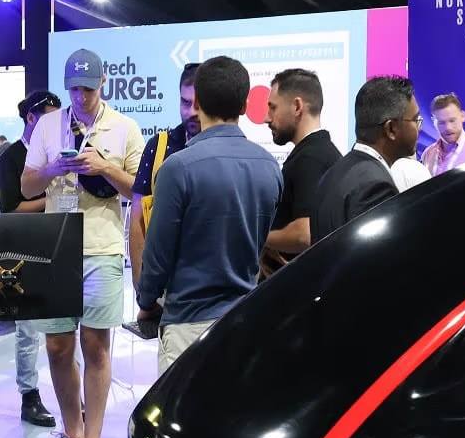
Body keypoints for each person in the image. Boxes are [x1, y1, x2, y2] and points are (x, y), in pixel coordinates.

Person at [21, 49, 142, 438]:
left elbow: (137, 189)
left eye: (88, 89)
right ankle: (71, 434)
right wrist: (54, 168)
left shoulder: (124, 127)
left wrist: (104, 167)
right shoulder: (48, 125)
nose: (80, 97)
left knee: (96, 346)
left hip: (102, 249)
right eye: (74, 88)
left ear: (103, 83)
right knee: (57, 347)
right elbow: (26, 185)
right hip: (56, 249)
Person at [135, 58, 281, 374]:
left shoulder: (177, 168)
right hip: (244, 320)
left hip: (187, 326)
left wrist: (146, 302)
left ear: (198, 102)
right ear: (245, 106)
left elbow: (157, 255)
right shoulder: (270, 167)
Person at [0, 91, 60, 427]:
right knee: (28, 328)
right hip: (23, 251)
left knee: (66, 324)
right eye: (49, 117)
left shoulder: (57, 153)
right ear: (31, 118)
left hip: (59, 245)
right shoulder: (10, 158)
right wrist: (53, 198)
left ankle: (72, 394)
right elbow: (12, 209)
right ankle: (29, 396)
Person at [310, 76, 418, 243]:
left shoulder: (332, 173)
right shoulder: (376, 187)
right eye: (415, 120)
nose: (418, 128)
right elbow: (379, 256)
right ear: (391, 129)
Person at [130, 63, 201, 313]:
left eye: (199, 104)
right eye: (185, 102)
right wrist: (142, 290)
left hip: (210, 286)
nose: (191, 112)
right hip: (163, 287)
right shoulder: (159, 146)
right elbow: (138, 219)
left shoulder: (228, 150)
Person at [262, 68, 341, 274]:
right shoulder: (323, 153)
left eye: (273, 107)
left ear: (297, 106)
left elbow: (305, 234)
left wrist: (260, 239)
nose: (266, 118)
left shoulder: (310, 159)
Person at [420, 93, 465, 174]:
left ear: (463, 116)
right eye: (441, 123)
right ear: (433, 121)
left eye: (452, 120)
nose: (448, 127)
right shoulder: (428, 154)